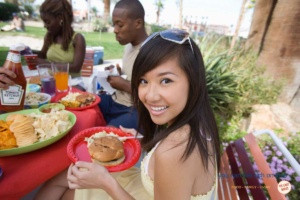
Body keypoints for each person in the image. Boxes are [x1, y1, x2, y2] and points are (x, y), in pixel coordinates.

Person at [34, 29, 220, 200]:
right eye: (143, 81)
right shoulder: (197, 124)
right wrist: (142, 139)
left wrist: (106, 183)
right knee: (64, 179)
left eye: (165, 80)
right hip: (145, 188)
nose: (150, 95)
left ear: (193, 81)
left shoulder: (174, 151)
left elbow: (173, 160)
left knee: (66, 186)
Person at [98, 0, 148, 130]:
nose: (115, 30)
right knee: (84, 104)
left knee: (107, 138)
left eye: (120, 25)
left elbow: (152, 93)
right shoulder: (128, 45)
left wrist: (123, 84)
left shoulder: (150, 52)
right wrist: (117, 74)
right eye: (114, 24)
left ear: (138, 23)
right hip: (115, 100)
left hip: (134, 110)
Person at [33, 0, 86, 78]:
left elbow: (76, 68)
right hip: (51, 82)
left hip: (72, 84)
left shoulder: (77, 39)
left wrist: (47, 64)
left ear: (60, 18)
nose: (45, 26)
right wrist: (28, 51)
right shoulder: (49, 37)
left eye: (47, 22)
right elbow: (43, 55)